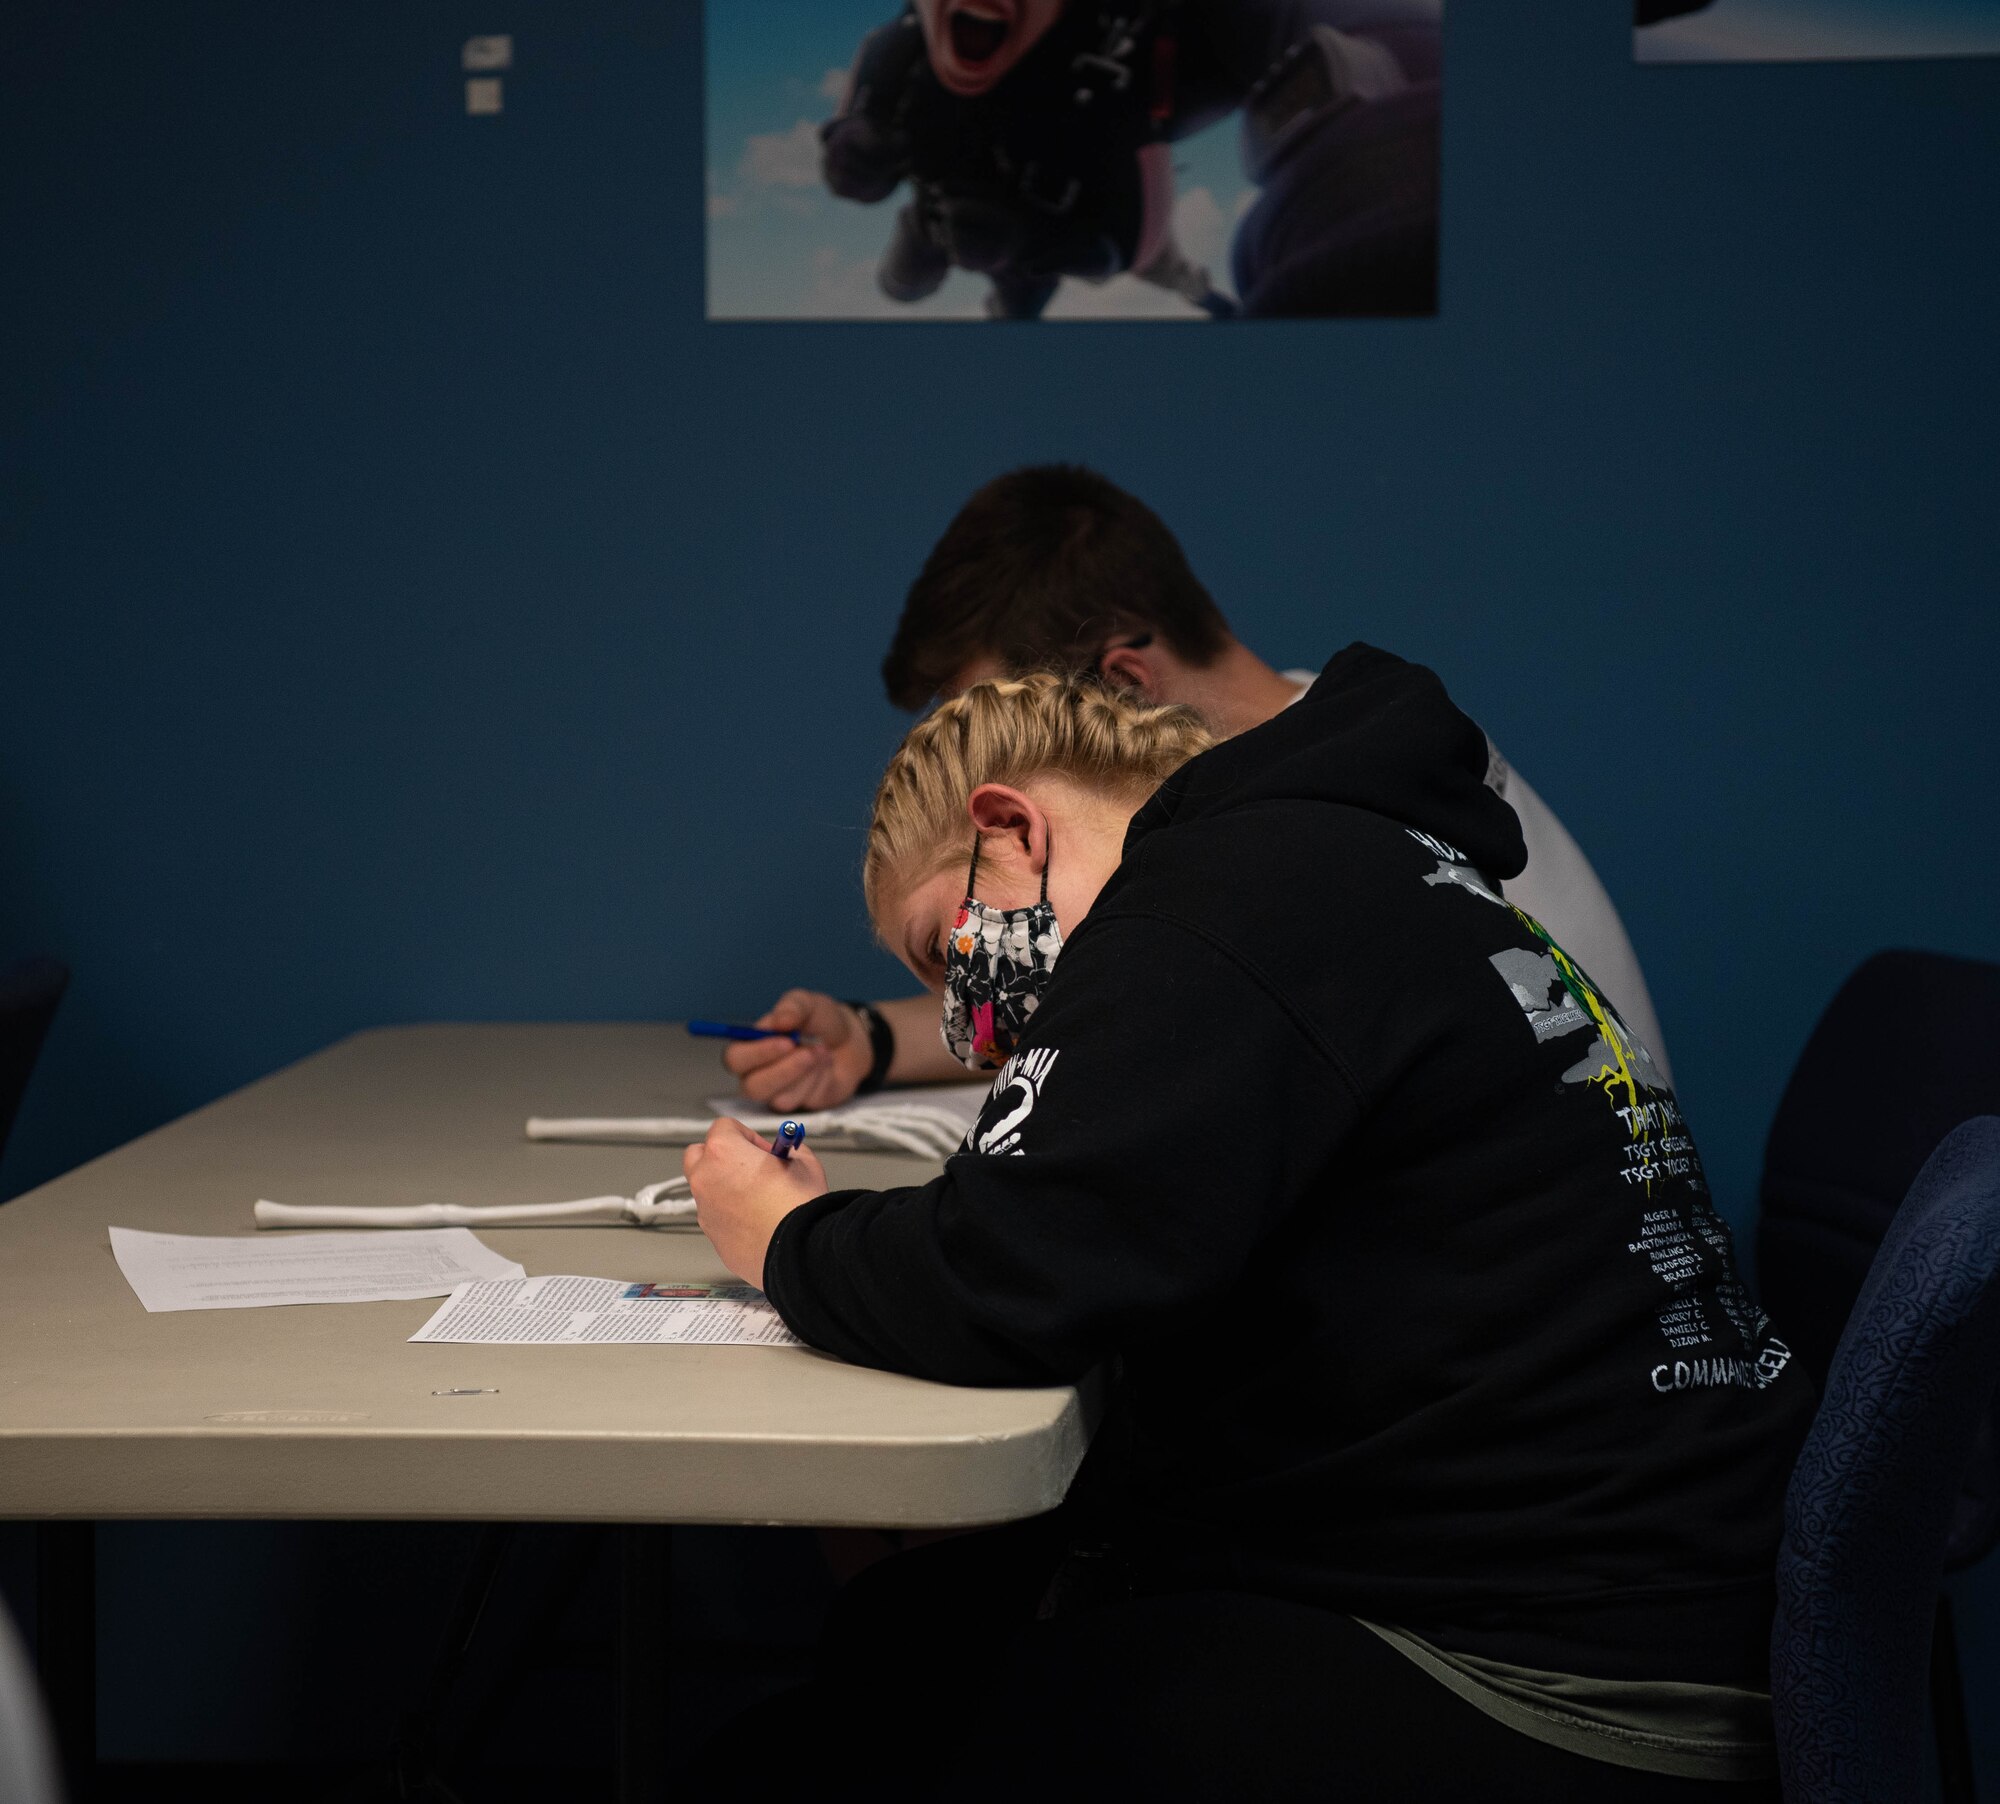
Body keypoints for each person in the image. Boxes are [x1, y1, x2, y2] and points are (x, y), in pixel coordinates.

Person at [686, 655, 1809, 1800]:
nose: (964, 1013)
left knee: (781, 1765)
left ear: (1010, 828)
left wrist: (787, 1233)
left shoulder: (1209, 905)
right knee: (901, 1629)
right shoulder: (1334, 859)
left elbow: (1008, 1277)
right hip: (1623, 1588)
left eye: (944, 947)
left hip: (1556, 1667)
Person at [726, 465, 1675, 1116]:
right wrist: (871, 1041)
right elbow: (1079, 976)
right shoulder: (1342, 734)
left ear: (1123, 690)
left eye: (1010, 738)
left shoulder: (1304, 842)